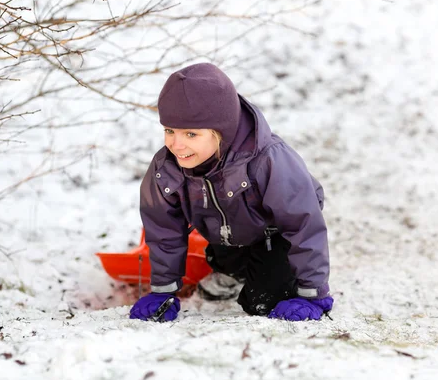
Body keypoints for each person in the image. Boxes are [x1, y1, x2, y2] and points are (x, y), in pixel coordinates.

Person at [129, 63, 333, 322]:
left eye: (191, 134)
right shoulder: (166, 167)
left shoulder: (268, 160)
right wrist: (163, 291)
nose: (176, 145)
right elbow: (163, 230)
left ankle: (275, 275)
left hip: (276, 235)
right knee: (223, 256)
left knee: (262, 301)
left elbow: (304, 224)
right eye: (170, 131)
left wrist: (313, 294)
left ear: (220, 133)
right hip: (227, 236)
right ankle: (235, 270)